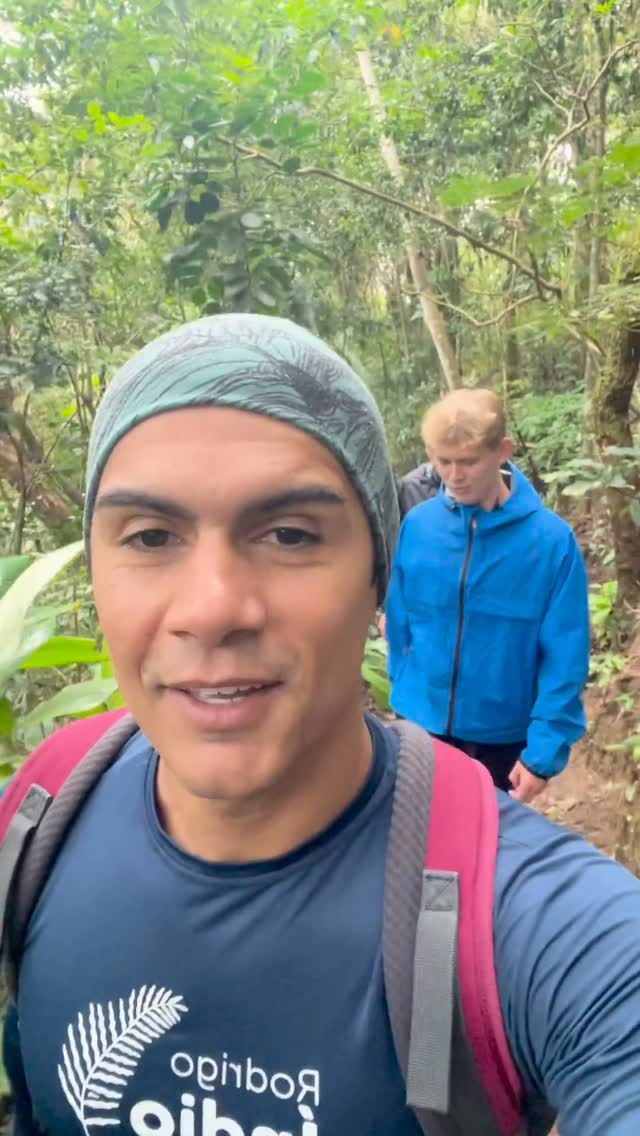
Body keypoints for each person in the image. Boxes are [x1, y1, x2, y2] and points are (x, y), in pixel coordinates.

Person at [4, 316, 640, 1136]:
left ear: (368, 568)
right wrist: (409, 690)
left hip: (489, 745)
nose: (212, 610)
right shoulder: (38, 818)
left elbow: (564, 646)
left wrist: (546, 744)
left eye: (291, 534)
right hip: (424, 714)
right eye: (151, 536)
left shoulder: (547, 928)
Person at [385, 388, 590, 802]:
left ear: (503, 451)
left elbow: (566, 657)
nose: (454, 476)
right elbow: (399, 617)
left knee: (488, 855)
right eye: (443, 461)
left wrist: (543, 754)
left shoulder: (550, 543)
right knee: (416, 847)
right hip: (420, 728)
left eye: (469, 462)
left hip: (501, 744)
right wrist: (403, 691)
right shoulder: (419, 526)